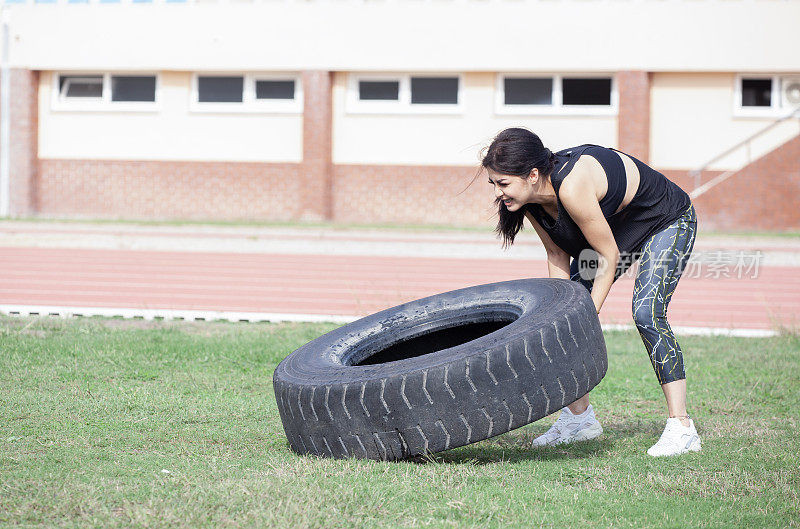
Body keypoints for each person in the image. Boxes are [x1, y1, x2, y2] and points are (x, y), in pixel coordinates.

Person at [481, 127, 701, 457]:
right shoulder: (529, 201)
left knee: (646, 313)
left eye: (503, 183)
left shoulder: (572, 185)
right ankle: (579, 420)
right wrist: (560, 312)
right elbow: (557, 254)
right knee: (556, 319)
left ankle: (682, 428)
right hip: (616, 232)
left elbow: (607, 255)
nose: (499, 193)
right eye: (494, 184)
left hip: (664, 218)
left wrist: (585, 315)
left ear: (533, 174)